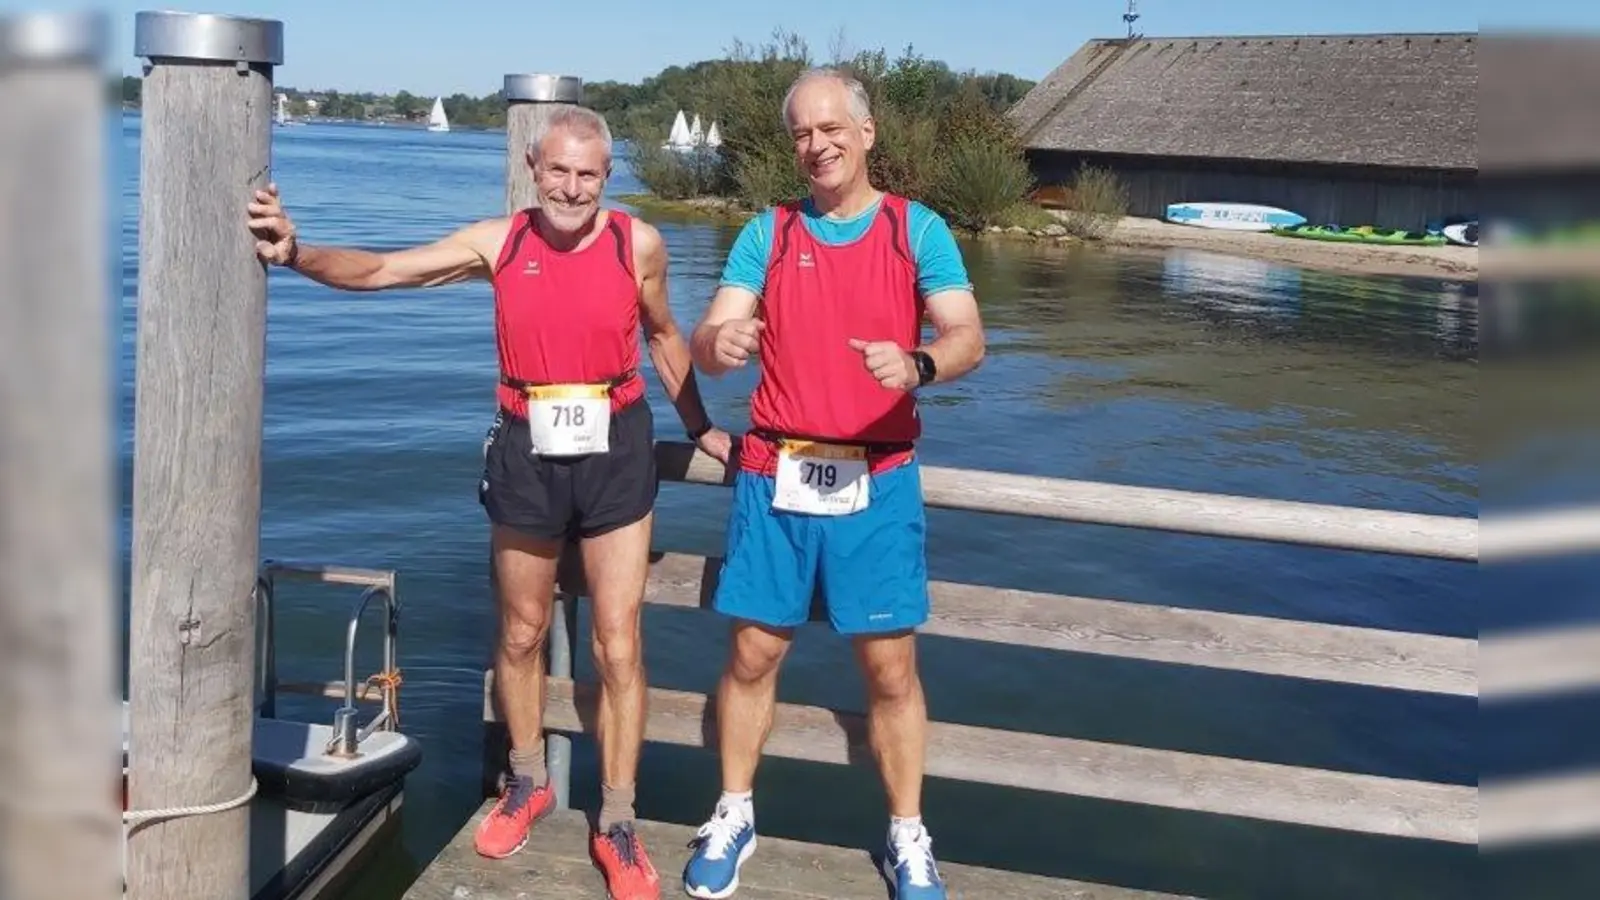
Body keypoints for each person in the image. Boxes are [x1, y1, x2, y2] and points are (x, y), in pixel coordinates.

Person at [246, 105, 731, 900]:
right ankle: (527, 779)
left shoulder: (636, 242)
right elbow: (382, 271)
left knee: (618, 644)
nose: (570, 188)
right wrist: (296, 252)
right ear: (533, 169)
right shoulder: (498, 243)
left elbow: (664, 334)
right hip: (525, 444)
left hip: (617, 445)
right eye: (558, 171)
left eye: (587, 174)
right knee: (520, 630)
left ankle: (617, 818)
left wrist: (702, 427)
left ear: (606, 177)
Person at [682, 68, 985, 900]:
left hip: (877, 481)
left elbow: (967, 334)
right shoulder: (769, 232)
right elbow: (710, 332)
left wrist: (919, 363)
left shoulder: (916, 229)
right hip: (774, 474)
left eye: (831, 129)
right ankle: (734, 812)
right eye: (802, 134)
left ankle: (908, 834)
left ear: (866, 133)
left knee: (889, 669)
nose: (817, 146)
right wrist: (718, 345)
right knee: (753, 653)